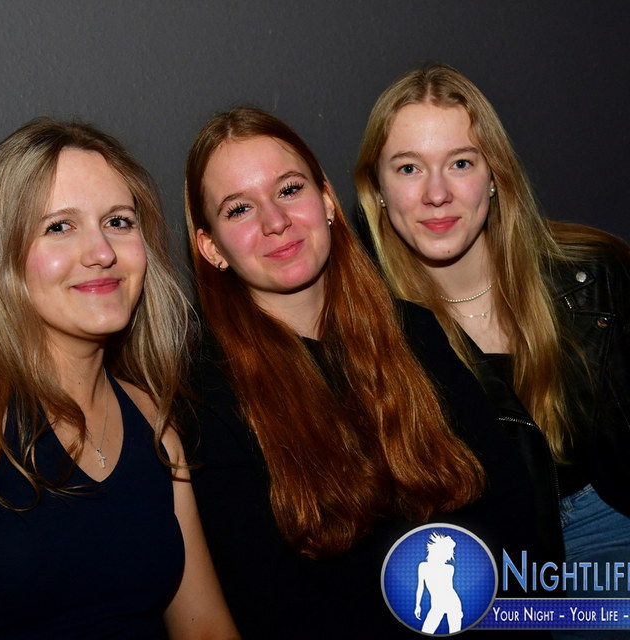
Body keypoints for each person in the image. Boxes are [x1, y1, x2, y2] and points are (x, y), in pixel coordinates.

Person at [183, 107, 547, 639]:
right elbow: (275, 608)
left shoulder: (415, 332)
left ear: (327, 200)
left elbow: (510, 513)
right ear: (211, 247)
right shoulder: (207, 396)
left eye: (289, 189)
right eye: (239, 209)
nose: (275, 221)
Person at [355, 62, 630, 630]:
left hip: (610, 527)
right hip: (485, 561)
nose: (436, 194)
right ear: (377, 190)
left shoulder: (592, 278)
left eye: (461, 163)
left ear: (495, 175)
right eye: (408, 168)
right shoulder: (369, 330)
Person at [0, 118, 240, 639]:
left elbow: (205, 628)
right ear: (3, 256)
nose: (102, 252)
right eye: (59, 227)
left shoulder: (153, 418)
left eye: (119, 222)